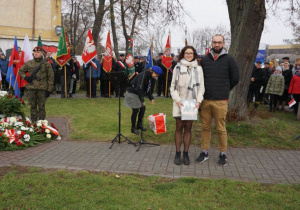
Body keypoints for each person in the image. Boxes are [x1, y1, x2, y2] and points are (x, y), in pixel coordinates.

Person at [197, 34, 239, 166]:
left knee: (221, 128)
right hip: (205, 100)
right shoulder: (204, 60)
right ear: (211, 43)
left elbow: (235, 78)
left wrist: (224, 89)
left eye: (219, 42)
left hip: (221, 100)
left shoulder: (229, 59)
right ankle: (204, 152)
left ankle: (223, 153)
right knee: (205, 127)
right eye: (215, 42)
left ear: (223, 44)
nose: (217, 45)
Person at [170, 46, 205, 166]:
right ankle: (177, 153)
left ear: (194, 54)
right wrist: (178, 101)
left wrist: (198, 101)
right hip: (180, 102)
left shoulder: (199, 69)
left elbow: (201, 87)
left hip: (192, 103)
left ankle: (186, 153)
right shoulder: (178, 67)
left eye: (191, 53)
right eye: (186, 53)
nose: (188, 55)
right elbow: (172, 87)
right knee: (179, 128)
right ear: (183, 54)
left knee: (188, 129)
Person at [124, 65, 162, 135]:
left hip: (138, 93)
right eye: (156, 74)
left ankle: (139, 124)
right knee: (136, 109)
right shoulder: (143, 75)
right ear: (152, 72)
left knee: (143, 108)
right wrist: (142, 100)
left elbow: (148, 89)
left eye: (158, 75)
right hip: (132, 92)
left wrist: (151, 98)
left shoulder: (150, 77)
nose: (157, 76)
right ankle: (133, 128)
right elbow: (139, 88)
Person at [19, 46, 54, 122]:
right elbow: (21, 71)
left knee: (41, 107)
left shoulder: (46, 64)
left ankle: (41, 123)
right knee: (33, 106)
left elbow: (50, 77)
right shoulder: (29, 63)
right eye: (35, 52)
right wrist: (25, 77)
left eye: (38, 52)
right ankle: (34, 123)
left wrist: (49, 90)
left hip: (42, 89)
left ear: (41, 53)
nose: (36, 53)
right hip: (31, 88)